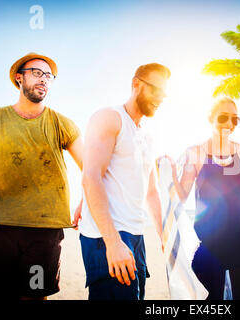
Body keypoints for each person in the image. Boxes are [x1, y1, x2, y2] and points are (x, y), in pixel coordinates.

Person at [0, 53, 83, 300]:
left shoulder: (62, 124)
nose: (44, 80)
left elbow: (92, 168)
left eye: (49, 76)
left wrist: (84, 202)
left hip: (45, 234)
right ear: (19, 78)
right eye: (37, 73)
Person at [164, 98, 240, 300]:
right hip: (209, 243)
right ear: (210, 118)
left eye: (235, 120)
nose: (229, 124)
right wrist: (172, 174)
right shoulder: (196, 153)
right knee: (210, 301)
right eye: (223, 117)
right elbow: (182, 196)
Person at [77, 63, 170, 300]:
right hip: (107, 237)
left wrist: (162, 233)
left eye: (164, 93)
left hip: (136, 234)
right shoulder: (109, 118)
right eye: (156, 90)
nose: (160, 98)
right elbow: (91, 175)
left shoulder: (147, 136)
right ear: (136, 84)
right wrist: (113, 242)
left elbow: (151, 191)